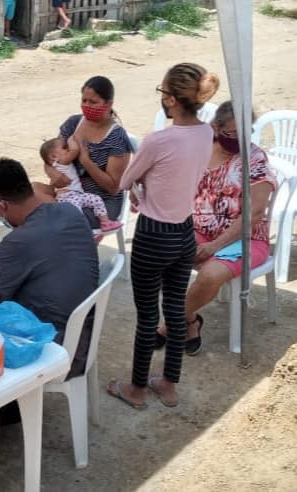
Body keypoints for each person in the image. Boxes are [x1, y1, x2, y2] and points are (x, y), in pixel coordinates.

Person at [108, 63, 219, 410]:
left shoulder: (159, 140)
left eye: (162, 92)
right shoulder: (206, 133)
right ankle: (169, 384)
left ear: (171, 100)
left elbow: (125, 181)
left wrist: (142, 184)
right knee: (175, 310)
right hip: (184, 232)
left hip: (153, 235)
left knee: (146, 317)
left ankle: (137, 388)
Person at [0, 158, 99, 378]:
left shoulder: (20, 240)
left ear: (1, 205)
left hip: (50, 345)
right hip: (83, 336)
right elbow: (40, 254)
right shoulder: (69, 211)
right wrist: (1, 255)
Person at [155, 101, 276, 356]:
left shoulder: (255, 159)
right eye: (232, 132)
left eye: (245, 131)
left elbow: (255, 214)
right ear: (216, 128)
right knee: (163, 254)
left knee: (211, 275)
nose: (239, 138)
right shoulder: (201, 150)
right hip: (199, 228)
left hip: (246, 237)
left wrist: (213, 246)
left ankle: (169, 326)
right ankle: (191, 321)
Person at [42, 76, 133, 229]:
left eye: (93, 102)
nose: (87, 105)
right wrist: (52, 172)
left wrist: (85, 160)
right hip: (67, 193)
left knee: (49, 219)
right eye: (84, 100)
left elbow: (113, 188)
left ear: (109, 104)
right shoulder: (73, 123)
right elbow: (51, 155)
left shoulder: (117, 137)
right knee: (31, 195)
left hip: (100, 203)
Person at [40, 137, 122, 233]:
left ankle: (105, 222)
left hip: (78, 194)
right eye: (65, 147)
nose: (68, 148)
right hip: (67, 196)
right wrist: (72, 139)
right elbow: (75, 150)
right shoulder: (61, 161)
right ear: (54, 157)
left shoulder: (60, 160)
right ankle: (83, 232)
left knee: (96, 199)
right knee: (76, 213)